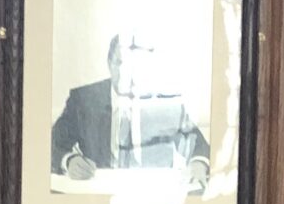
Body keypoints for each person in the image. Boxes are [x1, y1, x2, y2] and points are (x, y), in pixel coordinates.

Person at [50, 33, 211, 193]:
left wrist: (199, 163)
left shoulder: (166, 102)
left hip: (152, 195)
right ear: (109, 64)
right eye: (119, 63)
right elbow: (53, 143)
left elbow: (198, 145)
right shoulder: (83, 100)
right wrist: (69, 160)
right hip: (98, 194)